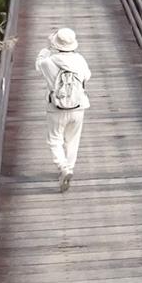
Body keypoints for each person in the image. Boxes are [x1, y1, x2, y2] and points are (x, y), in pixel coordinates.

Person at [35, 28, 91, 192]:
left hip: (56, 107)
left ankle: (63, 167)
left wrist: (46, 47)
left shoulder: (48, 62)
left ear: (56, 44)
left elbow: (38, 64)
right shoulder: (80, 59)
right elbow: (87, 76)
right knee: (72, 139)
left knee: (55, 139)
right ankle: (70, 167)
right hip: (79, 106)